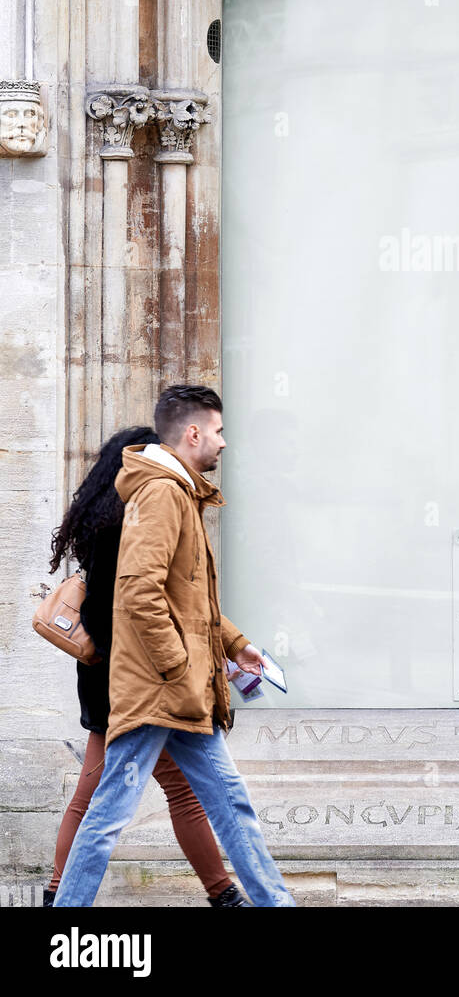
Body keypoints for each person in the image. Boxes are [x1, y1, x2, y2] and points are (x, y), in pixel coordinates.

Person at [52, 387, 295, 908]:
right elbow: (140, 591)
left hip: (172, 690)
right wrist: (178, 665)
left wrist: (236, 644)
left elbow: (187, 598)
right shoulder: (162, 493)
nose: (224, 443)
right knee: (107, 813)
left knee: (229, 803)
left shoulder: (179, 491)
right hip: (159, 691)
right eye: (219, 430)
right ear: (193, 433)